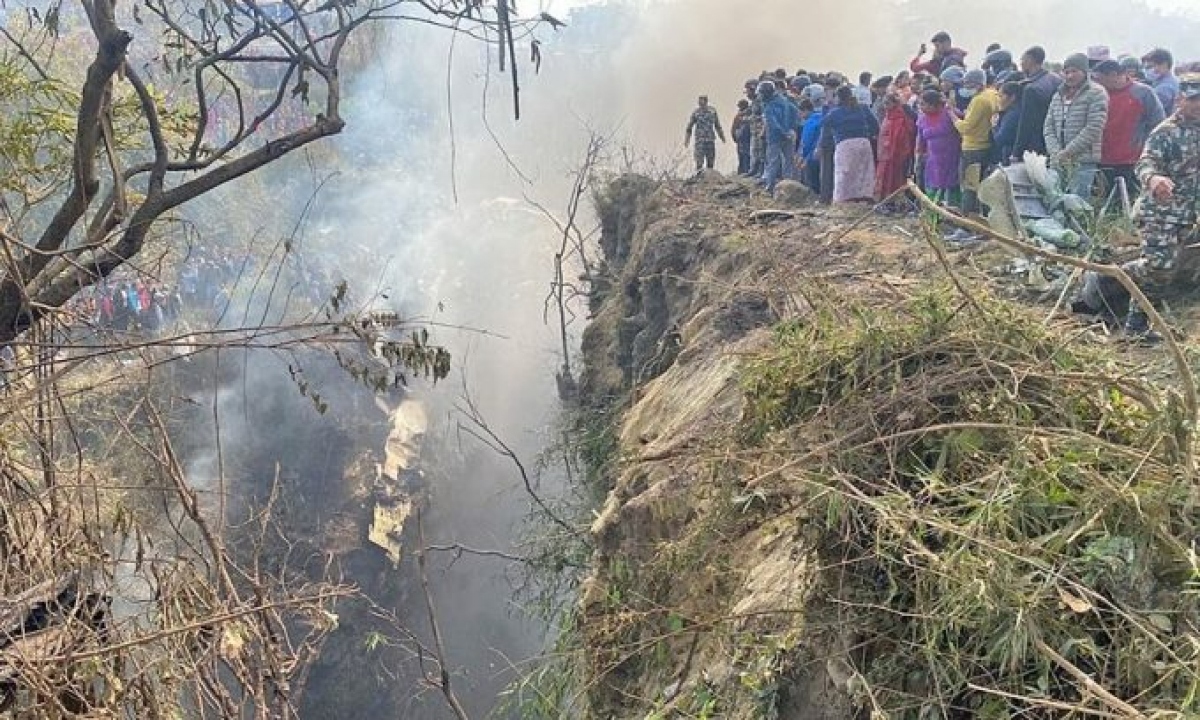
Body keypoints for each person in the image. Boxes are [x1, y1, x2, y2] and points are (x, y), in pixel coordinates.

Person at [1075, 73, 1200, 338]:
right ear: (1180, 100)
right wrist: (1154, 179)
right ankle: (1106, 277)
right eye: (1194, 99)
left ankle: (1135, 326)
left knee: (1165, 271)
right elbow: (1145, 163)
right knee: (1158, 267)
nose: (1198, 105)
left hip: (1189, 212)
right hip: (1160, 213)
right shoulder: (1166, 132)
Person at [1095, 59, 1165, 196]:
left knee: (1131, 200)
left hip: (1132, 160)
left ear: (1113, 75)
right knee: (1108, 203)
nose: (1097, 83)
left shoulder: (1143, 93)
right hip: (1104, 159)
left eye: (1100, 79)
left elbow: (1158, 125)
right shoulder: (1099, 94)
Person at [1044, 53, 1108, 198]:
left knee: (1077, 204)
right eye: (1066, 72)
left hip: (1082, 160)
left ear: (1085, 72)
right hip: (1058, 160)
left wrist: (1068, 152)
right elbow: (1048, 126)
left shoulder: (1096, 93)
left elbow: (1094, 128)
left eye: (1074, 71)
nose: (1070, 76)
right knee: (1055, 200)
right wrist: (1055, 153)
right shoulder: (1058, 95)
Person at [953, 69, 1002, 214]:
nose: (965, 88)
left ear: (977, 84)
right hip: (986, 145)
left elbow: (966, 127)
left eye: (968, 84)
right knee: (982, 187)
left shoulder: (979, 100)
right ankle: (983, 221)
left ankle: (968, 224)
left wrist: (953, 117)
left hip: (972, 148)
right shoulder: (993, 94)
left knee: (969, 187)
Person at [821, 85, 879, 203]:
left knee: (844, 174)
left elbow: (824, 125)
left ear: (838, 98)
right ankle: (865, 198)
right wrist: (870, 135)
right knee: (864, 172)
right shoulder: (863, 108)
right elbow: (875, 125)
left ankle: (842, 201)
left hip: (845, 145)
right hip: (863, 143)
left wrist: (826, 106)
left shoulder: (834, 112)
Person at [1013, 46, 1062, 160]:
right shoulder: (1056, 80)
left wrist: (1017, 152)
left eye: (1023, 60)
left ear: (1030, 60)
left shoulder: (1031, 88)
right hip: (1055, 139)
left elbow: (1025, 123)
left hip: (1036, 144)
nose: (1021, 63)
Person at [916, 89, 963, 206]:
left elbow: (965, 127)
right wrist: (919, 155)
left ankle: (954, 215)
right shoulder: (922, 119)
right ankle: (933, 216)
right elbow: (920, 139)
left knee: (952, 186)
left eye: (923, 104)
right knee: (933, 187)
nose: (920, 107)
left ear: (933, 104)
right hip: (933, 160)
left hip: (952, 158)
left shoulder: (951, 114)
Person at [875, 90, 917, 210]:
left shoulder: (899, 117)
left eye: (887, 103)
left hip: (895, 155)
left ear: (894, 103)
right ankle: (885, 202)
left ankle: (892, 203)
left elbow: (901, 138)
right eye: (884, 103)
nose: (885, 106)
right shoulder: (888, 116)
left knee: (893, 179)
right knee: (883, 179)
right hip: (884, 155)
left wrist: (892, 151)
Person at [759, 81, 800, 192]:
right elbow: (796, 113)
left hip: (775, 137)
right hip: (788, 135)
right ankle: (788, 186)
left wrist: (783, 132)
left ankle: (770, 187)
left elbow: (773, 123)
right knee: (788, 161)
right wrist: (791, 129)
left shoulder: (768, 106)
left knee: (773, 162)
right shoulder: (784, 100)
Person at [685, 95, 726, 172]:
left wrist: (722, 137)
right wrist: (687, 140)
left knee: (710, 161)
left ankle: (710, 180)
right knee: (699, 161)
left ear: (706, 101)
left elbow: (717, 125)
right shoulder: (696, 113)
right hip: (700, 140)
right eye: (699, 101)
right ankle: (699, 178)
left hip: (710, 140)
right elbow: (689, 127)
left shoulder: (712, 111)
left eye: (701, 100)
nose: (699, 102)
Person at [800, 84, 827, 193]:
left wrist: (803, 156)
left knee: (812, 181)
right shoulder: (824, 114)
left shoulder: (811, 121)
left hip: (812, 156)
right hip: (824, 152)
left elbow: (807, 140)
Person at [991, 81, 1023, 167]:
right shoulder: (1018, 110)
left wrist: (994, 127)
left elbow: (1000, 139)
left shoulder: (1012, 115)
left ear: (1012, 97)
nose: (999, 100)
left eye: (1001, 96)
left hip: (1010, 157)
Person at [1141, 48, 1179, 112]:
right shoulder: (1163, 81)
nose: (1155, 69)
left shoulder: (1165, 87)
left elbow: (1149, 110)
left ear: (1166, 64)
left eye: (1158, 64)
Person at [732, 99, 753, 175]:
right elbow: (734, 128)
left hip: (746, 140)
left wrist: (735, 137)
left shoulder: (746, 115)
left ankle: (745, 171)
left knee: (746, 156)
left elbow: (734, 128)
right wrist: (735, 138)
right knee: (742, 156)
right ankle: (742, 171)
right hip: (741, 140)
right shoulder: (739, 116)